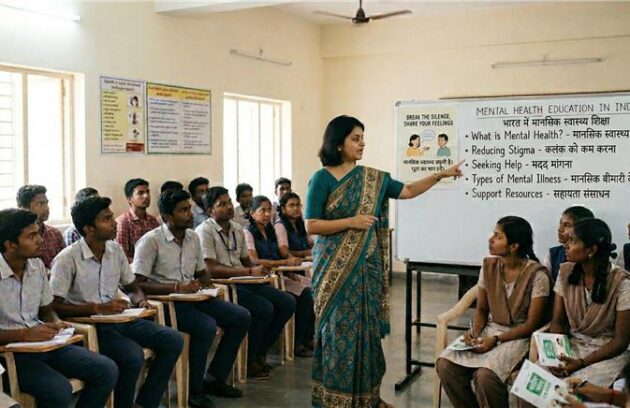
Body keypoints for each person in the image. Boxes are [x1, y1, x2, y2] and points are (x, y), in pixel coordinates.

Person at [305, 115, 463, 408]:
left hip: (366, 272)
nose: (362, 143)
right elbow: (311, 225)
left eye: (363, 137)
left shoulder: (373, 179)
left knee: (366, 335)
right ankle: (335, 400)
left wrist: (440, 175)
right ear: (338, 143)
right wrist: (351, 221)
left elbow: (408, 191)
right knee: (337, 334)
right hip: (333, 273)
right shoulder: (322, 179)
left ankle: (368, 399)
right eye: (355, 138)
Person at [50, 197, 183, 408]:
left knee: (173, 339)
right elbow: (53, 306)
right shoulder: (68, 259)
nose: (114, 223)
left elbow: (132, 287)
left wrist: (140, 302)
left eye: (112, 217)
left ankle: (146, 402)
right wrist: (96, 308)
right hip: (92, 326)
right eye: (106, 219)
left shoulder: (115, 250)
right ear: (88, 229)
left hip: (120, 319)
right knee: (132, 355)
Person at [133, 189, 250, 408]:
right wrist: (176, 286)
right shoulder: (150, 242)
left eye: (189, 209)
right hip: (169, 303)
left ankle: (214, 377)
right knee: (205, 326)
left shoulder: (192, 237)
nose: (189, 214)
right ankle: (193, 391)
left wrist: (207, 284)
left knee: (240, 316)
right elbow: (137, 284)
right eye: (183, 210)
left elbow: (200, 273)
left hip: (194, 298)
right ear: (168, 217)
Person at [0, 208, 117, 407]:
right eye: (32, 236)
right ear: (10, 245)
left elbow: (47, 311)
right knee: (58, 389)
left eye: (38, 233)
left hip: (45, 344)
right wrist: (23, 335)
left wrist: (56, 323)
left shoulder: (36, 266)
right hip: (10, 356)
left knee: (106, 369)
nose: (40, 240)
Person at [436, 216, 552, 408]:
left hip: (518, 336)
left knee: (485, 377)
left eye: (498, 236)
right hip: (489, 330)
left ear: (514, 246)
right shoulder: (488, 266)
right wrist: (475, 332)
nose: (491, 239)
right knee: (445, 365)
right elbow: (481, 309)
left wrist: (496, 340)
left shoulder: (537, 275)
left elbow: (532, 324)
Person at [195, 186, 296, 378]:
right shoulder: (204, 231)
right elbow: (210, 268)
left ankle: (259, 353)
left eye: (229, 203)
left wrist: (259, 272)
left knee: (287, 302)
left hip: (244, 280)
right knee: (264, 308)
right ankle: (249, 361)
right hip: (223, 285)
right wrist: (249, 271)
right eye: (221, 204)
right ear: (209, 210)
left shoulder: (236, 228)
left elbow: (245, 260)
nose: (229, 207)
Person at [545, 219, 630, 387]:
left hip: (606, 353)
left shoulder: (622, 283)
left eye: (573, 241)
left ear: (591, 250)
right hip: (572, 346)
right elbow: (557, 321)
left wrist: (581, 362)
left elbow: (620, 341)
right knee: (537, 385)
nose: (566, 245)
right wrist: (558, 356)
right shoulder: (565, 272)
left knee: (571, 392)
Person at [245, 195, 314, 358]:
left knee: (312, 287)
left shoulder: (269, 230)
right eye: (263, 210)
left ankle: (307, 337)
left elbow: (276, 257)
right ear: (253, 213)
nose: (267, 214)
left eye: (269, 210)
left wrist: (287, 270)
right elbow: (253, 260)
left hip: (278, 275)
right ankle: (297, 342)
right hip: (264, 278)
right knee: (304, 294)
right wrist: (284, 263)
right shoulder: (248, 232)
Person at [16, 185, 65, 269]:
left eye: (46, 203)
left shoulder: (55, 234)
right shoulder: (16, 237)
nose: (47, 208)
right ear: (24, 208)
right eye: (40, 204)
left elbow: (65, 264)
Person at [544, 206, 594, 280]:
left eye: (567, 225)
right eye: (560, 223)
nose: (559, 229)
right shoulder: (553, 255)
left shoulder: (593, 257)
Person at [116, 178, 160, 263]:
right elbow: (122, 257)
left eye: (147, 192)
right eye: (140, 193)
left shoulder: (153, 221)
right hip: (133, 271)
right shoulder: (123, 222)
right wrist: (144, 265)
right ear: (129, 199)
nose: (146, 196)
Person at [275, 192, 314, 258]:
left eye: (298, 205)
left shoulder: (301, 223)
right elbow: (284, 252)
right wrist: (303, 253)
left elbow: (310, 243)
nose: (296, 208)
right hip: (290, 265)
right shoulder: (280, 225)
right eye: (291, 205)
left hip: (306, 261)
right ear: (283, 209)